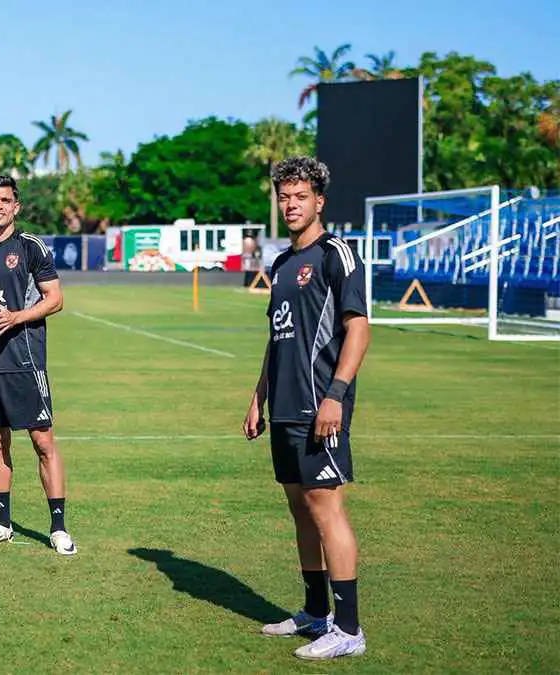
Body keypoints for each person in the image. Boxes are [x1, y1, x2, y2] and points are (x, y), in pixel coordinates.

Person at [242, 157, 371, 660]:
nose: (291, 205)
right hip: (284, 407)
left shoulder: (337, 254)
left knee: (326, 508)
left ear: (319, 200)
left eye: (300, 197)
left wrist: (336, 395)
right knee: (300, 509)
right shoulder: (280, 265)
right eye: (284, 197)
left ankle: (350, 628)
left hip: (321, 405)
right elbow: (276, 338)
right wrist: (258, 397)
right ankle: (317, 612)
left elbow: (358, 328)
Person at [0, 175, 76, 555]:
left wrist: (15, 318)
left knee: (43, 442)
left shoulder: (29, 247)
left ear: (16, 206)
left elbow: (55, 299)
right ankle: (2, 523)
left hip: (24, 359)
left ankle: (58, 528)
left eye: (5, 200)